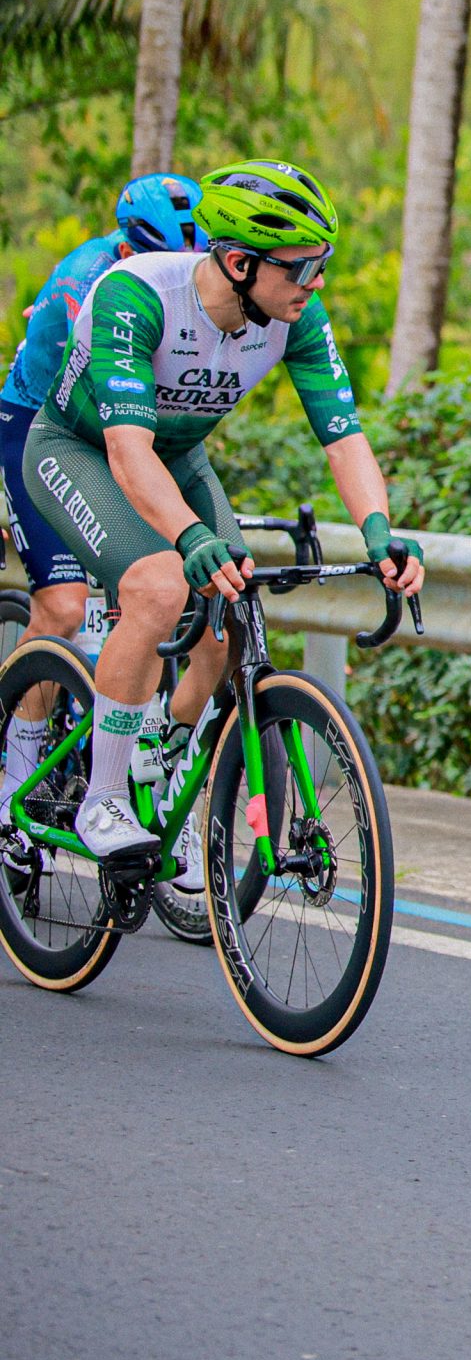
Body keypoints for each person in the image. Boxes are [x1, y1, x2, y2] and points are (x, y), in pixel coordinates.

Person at [14, 160, 424, 868]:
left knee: (234, 618)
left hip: (176, 458)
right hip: (77, 448)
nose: (316, 281)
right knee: (159, 585)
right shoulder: (136, 297)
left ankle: (163, 764)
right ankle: (102, 797)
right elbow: (126, 449)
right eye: (303, 266)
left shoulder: (295, 313)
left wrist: (379, 533)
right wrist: (189, 537)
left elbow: (344, 436)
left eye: (322, 263)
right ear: (238, 263)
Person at [0, 176, 209, 876]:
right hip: (46, 425)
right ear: (126, 246)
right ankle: (15, 777)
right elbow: (96, 434)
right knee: (61, 605)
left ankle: (142, 785)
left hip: (128, 434)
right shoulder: (80, 285)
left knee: (157, 598)